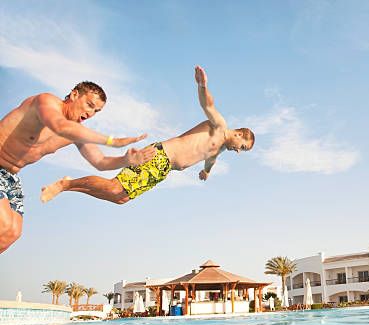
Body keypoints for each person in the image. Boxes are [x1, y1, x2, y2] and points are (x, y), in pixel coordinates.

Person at [40, 66, 255, 205]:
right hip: (159, 156)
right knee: (116, 188)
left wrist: (206, 173)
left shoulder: (220, 148)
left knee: (119, 197)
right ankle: (65, 185)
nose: (238, 150)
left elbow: (210, 161)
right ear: (237, 134)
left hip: (164, 169)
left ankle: (68, 184)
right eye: (242, 146)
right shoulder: (219, 126)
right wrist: (203, 86)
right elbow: (208, 104)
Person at [0, 81, 155, 254]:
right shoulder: (46, 102)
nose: (90, 113)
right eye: (89, 105)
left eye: (96, 111)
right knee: (4, 225)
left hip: (10, 177)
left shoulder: (75, 132)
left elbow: (100, 161)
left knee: (12, 233)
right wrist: (112, 141)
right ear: (74, 95)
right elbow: (60, 126)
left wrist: (127, 160)